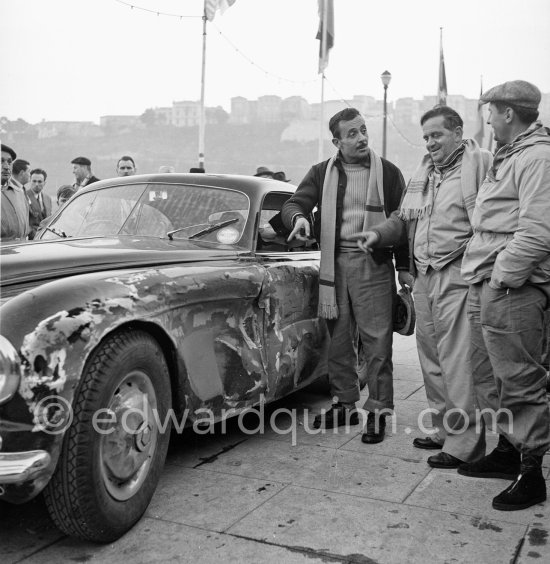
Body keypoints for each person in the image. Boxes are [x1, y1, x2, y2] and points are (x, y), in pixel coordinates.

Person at [347, 106, 493, 467]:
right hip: (425, 276)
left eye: (437, 135)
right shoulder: (425, 173)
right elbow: (402, 219)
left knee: (459, 363)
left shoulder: (481, 164)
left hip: (459, 274)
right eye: (426, 136)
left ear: (458, 133)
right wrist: (378, 233)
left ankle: (464, 444)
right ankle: (444, 429)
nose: (429, 143)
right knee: (432, 359)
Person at [281, 107, 408, 443]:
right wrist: (300, 220)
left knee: (377, 343)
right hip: (333, 266)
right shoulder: (322, 172)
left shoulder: (389, 173)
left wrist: (406, 269)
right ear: (336, 141)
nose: (362, 137)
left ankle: (379, 411)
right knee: (337, 342)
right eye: (352, 133)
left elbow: (404, 221)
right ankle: (344, 404)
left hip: (375, 265)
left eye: (363, 130)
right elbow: (295, 203)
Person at [459, 80, 550, 511]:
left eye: (491, 112)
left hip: (512, 286)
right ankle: (508, 450)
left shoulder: (538, 157)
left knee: (520, 379)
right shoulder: (512, 154)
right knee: (491, 374)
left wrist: (501, 278)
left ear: (509, 113)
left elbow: (537, 233)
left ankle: (532, 473)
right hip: (488, 278)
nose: (489, 120)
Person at [1, 148, 30, 242]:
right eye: (1, 161)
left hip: (20, 251)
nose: (6, 167)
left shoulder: (20, 193)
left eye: (9, 162)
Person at [26, 168, 52, 239]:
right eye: (34, 181)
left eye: (40, 181)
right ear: (30, 181)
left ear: (44, 183)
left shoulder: (48, 198)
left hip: (46, 238)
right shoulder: (24, 196)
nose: (36, 184)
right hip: (31, 239)